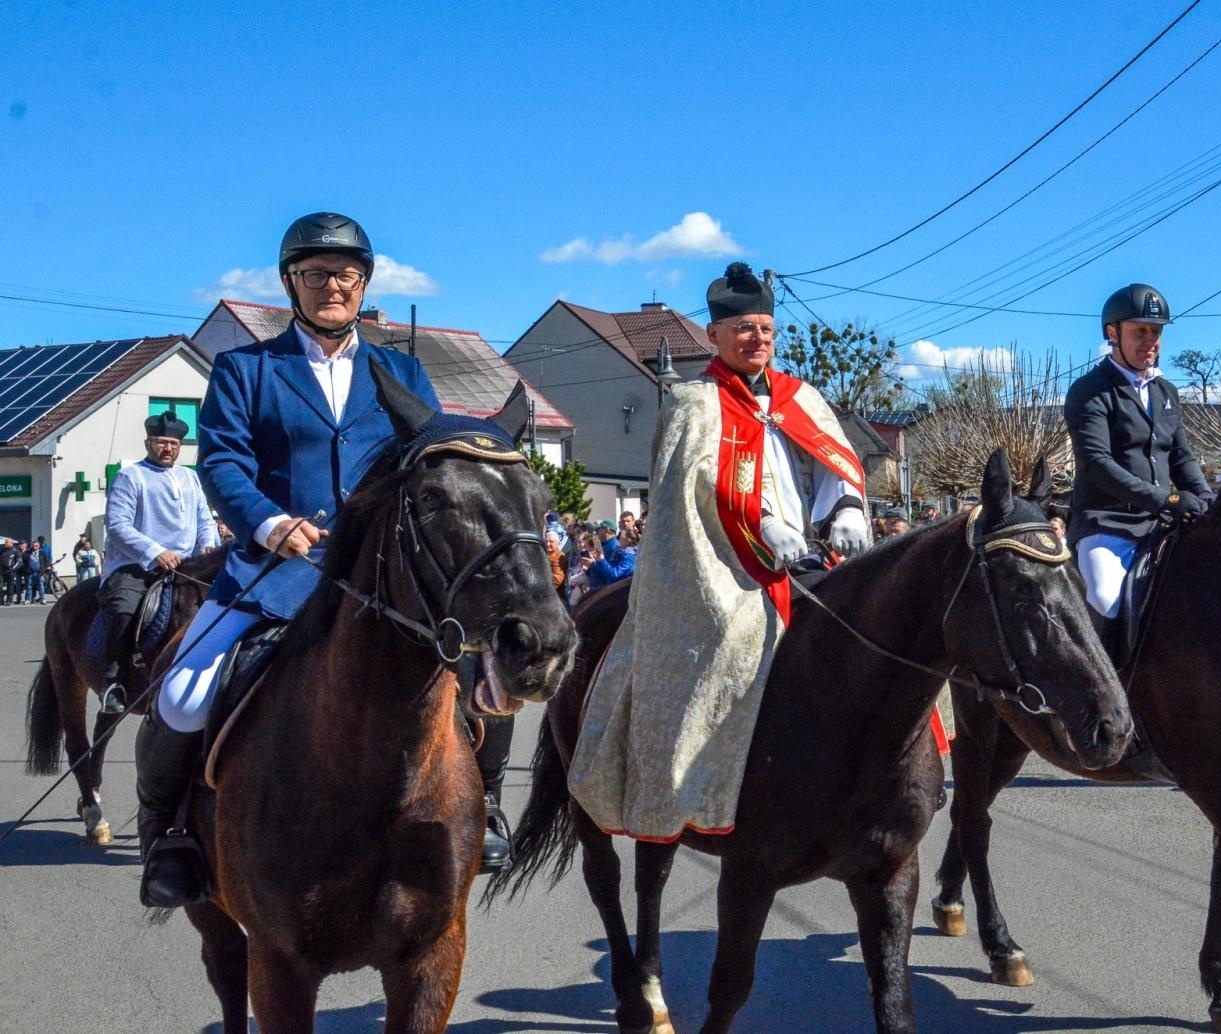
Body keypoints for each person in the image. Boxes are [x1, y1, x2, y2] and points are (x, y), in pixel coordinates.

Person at [133, 212, 518, 908]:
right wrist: (268, 522)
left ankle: (485, 809)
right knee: (183, 695)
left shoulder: (400, 371)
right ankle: (169, 836)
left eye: (345, 274)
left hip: (384, 577)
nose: (331, 286)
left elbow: (426, 464)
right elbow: (221, 459)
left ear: (363, 283)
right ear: (291, 284)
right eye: (315, 274)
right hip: (276, 572)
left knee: (488, 684)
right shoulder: (246, 369)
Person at [568, 262, 869, 841]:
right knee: (734, 641)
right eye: (744, 330)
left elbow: (834, 461)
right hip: (726, 563)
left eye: (766, 330)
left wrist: (848, 505)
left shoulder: (800, 397)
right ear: (715, 335)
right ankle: (697, 780)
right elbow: (689, 486)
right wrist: (756, 521)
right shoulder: (692, 401)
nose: (758, 340)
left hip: (806, 553)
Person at [1063, 283, 1212, 619]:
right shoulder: (1091, 391)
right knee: (1106, 598)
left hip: (1160, 523)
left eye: (1156, 331)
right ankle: (1105, 671)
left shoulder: (1166, 391)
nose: (1150, 340)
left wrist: (1205, 496)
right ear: (1112, 333)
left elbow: (1181, 456)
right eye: (1140, 331)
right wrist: (1168, 500)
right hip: (1106, 526)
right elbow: (1097, 464)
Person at [95, 411, 220, 715]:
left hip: (188, 565)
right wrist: (155, 552)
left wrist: (208, 545)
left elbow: (205, 519)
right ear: (148, 443)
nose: (168, 449)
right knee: (124, 605)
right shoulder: (130, 476)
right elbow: (118, 524)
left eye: (174, 444)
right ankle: (113, 680)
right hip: (137, 565)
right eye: (162, 443)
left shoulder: (190, 477)